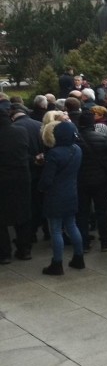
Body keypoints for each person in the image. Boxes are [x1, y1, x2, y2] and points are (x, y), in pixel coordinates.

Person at [39, 121, 85, 275]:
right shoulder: (77, 149)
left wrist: (41, 188)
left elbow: (47, 179)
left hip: (55, 195)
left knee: (56, 230)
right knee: (72, 225)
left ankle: (57, 263)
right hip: (71, 192)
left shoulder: (54, 153)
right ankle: (79, 258)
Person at [75, 111, 107, 252]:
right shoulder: (102, 138)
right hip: (100, 179)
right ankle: (105, 241)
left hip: (81, 180)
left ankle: (84, 243)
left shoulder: (76, 140)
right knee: (101, 211)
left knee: (82, 212)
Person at [0, 101, 32, 265]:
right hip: (22, 178)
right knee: (22, 214)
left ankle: (4, 253)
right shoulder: (21, 131)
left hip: (3, 180)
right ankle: (24, 250)